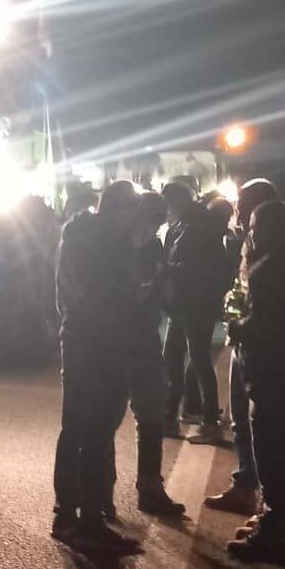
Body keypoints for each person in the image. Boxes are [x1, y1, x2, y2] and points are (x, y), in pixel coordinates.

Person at [225, 199, 285, 560]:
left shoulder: (272, 267)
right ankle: (274, 522)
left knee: (271, 452)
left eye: (253, 227)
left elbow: (265, 324)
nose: (249, 233)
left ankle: (273, 534)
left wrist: (237, 326)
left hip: (274, 372)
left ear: (268, 229)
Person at [51, 180, 142, 553]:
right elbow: (119, 297)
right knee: (98, 432)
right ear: (122, 210)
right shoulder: (113, 244)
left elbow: (66, 293)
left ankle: (65, 513)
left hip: (76, 337)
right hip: (104, 345)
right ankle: (91, 522)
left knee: (74, 428)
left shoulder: (73, 236)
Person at [204, 178, 279, 515]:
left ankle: (269, 509)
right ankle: (246, 486)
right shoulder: (255, 240)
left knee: (265, 429)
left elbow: (272, 308)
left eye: (243, 208)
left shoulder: (278, 247)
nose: (239, 215)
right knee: (242, 420)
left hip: (265, 349)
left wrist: (240, 325)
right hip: (246, 341)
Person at [118, 190, 186, 516]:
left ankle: (150, 486)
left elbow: (160, 290)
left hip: (145, 338)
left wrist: (165, 286)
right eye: (149, 220)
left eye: (158, 222)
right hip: (115, 340)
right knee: (103, 419)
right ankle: (97, 498)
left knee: (152, 411)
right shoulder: (114, 247)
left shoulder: (154, 246)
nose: (152, 228)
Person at [161, 181, 229, 444]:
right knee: (176, 359)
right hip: (182, 305)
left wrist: (169, 272)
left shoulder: (197, 227)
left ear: (175, 203)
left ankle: (208, 422)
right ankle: (176, 414)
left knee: (197, 360)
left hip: (193, 305)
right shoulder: (186, 225)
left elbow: (197, 268)